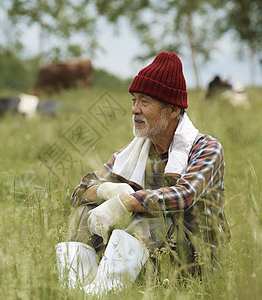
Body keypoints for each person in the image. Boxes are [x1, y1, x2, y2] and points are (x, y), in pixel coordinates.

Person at [55, 52, 230, 295]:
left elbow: (184, 195)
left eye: (145, 102)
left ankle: (105, 292)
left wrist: (126, 202)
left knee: (147, 218)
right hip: (156, 252)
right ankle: (74, 291)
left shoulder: (206, 149)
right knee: (85, 213)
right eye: (133, 100)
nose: (135, 110)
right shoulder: (133, 152)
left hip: (197, 257)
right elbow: (79, 193)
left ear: (172, 109)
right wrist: (106, 190)